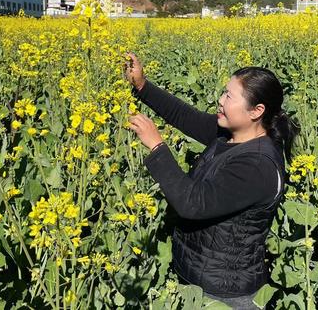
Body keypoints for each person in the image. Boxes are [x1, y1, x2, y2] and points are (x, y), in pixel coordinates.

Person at [124, 52, 299, 309]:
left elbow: (193, 203)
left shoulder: (258, 165)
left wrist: (157, 146)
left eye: (229, 96)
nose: (220, 100)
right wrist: (142, 85)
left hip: (225, 294)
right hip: (195, 278)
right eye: (223, 92)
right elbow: (185, 117)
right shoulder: (230, 135)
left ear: (256, 111)